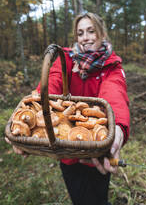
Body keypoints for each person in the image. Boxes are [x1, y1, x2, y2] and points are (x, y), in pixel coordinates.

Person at [6, 12, 130, 205]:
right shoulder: (67, 59)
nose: (85, 38)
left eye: (91, 31)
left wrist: (118, 131)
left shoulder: (112, 66)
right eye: (80, 33)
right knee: (79, 197)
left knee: (99, 196)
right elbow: (53, 81)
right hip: (67, 150)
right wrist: (30, 114)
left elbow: (115, 93)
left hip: (98, 146)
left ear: (102, 34)